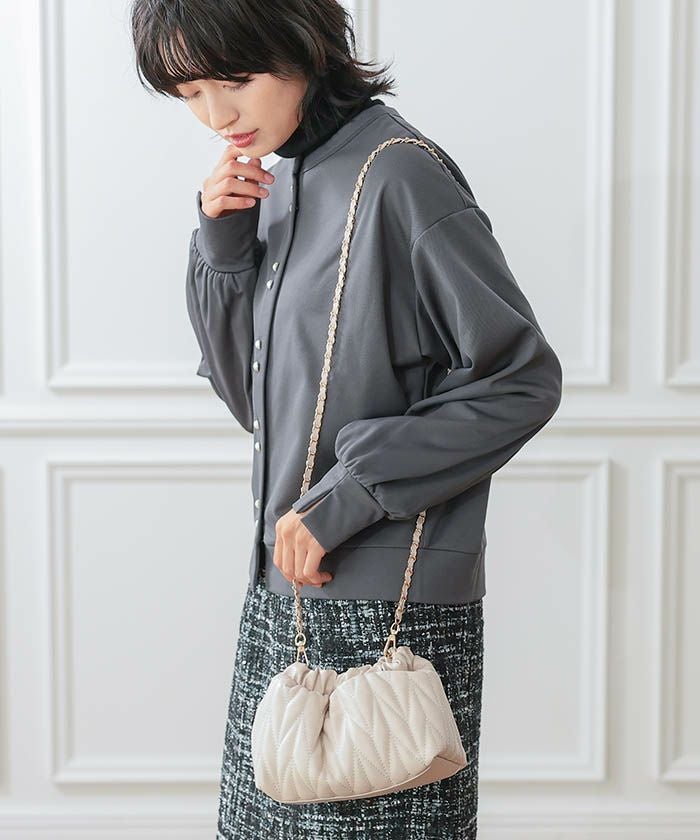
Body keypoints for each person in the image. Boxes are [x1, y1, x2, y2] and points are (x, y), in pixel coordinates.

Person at [130, 1, 563, 837]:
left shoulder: (398, 176)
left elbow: (520, 379)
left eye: (233, 79)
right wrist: (224, 247)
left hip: (383, 613)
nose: (215, 116)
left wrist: (346, 495)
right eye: (188, 94)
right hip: (283, 595)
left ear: (301, 43)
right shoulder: (278, 179)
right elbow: (254, 403)